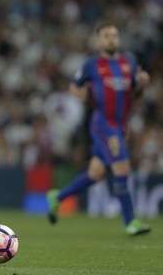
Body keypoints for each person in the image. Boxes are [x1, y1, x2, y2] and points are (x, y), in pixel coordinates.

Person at [46, 23, 151, 236]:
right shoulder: (92, 65)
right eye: (106, 36)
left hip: (120, 126)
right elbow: (74, 86)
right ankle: (130, 222)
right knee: (122, 167)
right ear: (99, 41)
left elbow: (135, 93)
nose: (111, 39)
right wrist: (82, 95)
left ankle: (57, 197)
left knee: (97, 173)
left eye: (114, 35)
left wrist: (142, 84)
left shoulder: (128, 63)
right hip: (104, 124)